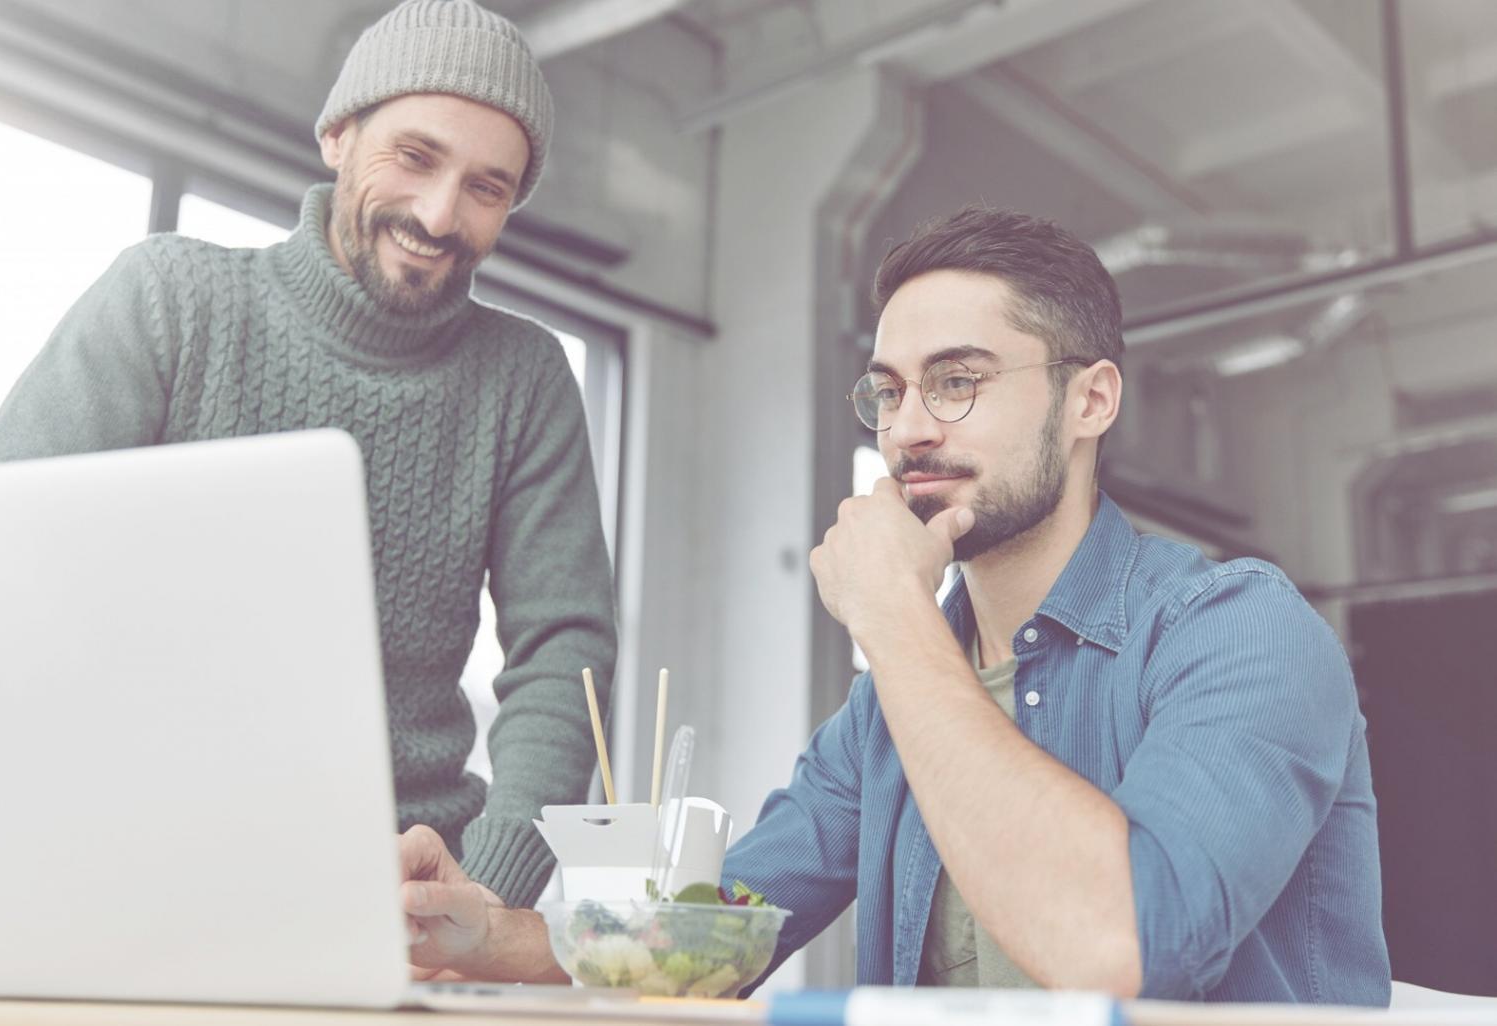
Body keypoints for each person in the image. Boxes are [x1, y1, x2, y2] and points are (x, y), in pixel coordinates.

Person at [393, 205, 1391, 1003]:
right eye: (889, 391)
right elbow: (714, 936)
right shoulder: (890, 709)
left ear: (1091, 401)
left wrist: (894, 618)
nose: (910, 429)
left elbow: (1116, 949)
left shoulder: (1239, 632)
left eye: (958, 381)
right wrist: (492, 935)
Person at [0, 0, 616, 914]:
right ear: (337, 135)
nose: (439, 213)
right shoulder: (168, 301)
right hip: (113, 856)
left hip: (398, 884)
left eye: (486, 186)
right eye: (416, 156)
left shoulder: (524, 377)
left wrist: (491, 890)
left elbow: (565, 650)